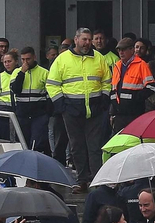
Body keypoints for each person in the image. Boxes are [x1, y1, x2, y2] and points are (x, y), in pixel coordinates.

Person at [47, 28, 111, 190]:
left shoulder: (99, 58)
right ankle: (82, 180)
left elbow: (107, 80)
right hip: (71, 110)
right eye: (84, 39)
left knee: (95, 147)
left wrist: (104, 99)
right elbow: (52, 84)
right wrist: (62, 106)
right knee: (77, 147)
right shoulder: (62, 59)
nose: (87, 43)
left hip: (95, 110)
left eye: (89, 39)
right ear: (75, 40)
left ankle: (97, 181)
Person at [108, 37, 155, 135]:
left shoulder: (141, 65)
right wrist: (113, 111)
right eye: (119, 50)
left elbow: (151, 87)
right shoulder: (117, 66)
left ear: (132, 50)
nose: (121, 52)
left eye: (124, 49)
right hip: (119, 114)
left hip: (135, 114)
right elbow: (113, 89)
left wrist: (136, 98)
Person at [11, 47, 52, 153]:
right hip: (22, 113)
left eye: (28, 59)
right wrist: (22, 73)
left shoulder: (44, 72)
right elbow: (15, 89)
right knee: (22, 142)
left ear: (34, 57)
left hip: (39, 114)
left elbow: (50, 93)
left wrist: (47, 112)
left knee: (37, 142)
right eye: (23, 59)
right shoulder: (16, 72)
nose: (25, 62)